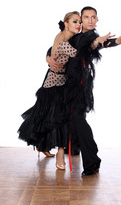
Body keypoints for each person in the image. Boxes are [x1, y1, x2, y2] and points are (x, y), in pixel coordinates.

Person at [47, 6, 121, 176]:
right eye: (86, 17)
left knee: (76, 117)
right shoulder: (77, 35)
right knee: (71, 117)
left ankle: (92, 161)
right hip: (67, 83)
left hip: (79, 85)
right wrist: (48, 56)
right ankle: (74, 149)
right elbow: (60, 45)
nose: (89, 20)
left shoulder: (92, 36)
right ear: (81, 20)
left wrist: (119, 40)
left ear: (97, 20)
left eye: (92, 17)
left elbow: (100, 43)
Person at [18, 11, 82, 168]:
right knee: (57, 119)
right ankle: (60, 157)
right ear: (66, 23)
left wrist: (47, 57)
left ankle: (42, 146)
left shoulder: (62, 36)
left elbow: (50, 50)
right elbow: (80, 55)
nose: (79, 25)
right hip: (55, 86)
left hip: (56, 83)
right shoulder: (65, 43)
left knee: (49, 118)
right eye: (75, 21)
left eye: (79, 22)